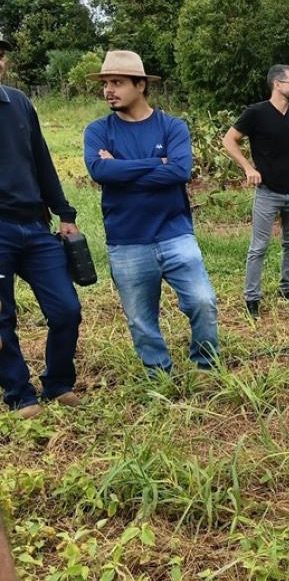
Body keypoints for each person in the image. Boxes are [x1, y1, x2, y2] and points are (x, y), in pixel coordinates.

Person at [84, 50, 220, 376]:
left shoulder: (172, 126)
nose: (108, 91)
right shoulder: (98, 130)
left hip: (174, 232)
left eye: (117, 83)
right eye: (105, 84)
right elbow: (101, 172)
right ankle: (158, 375)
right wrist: (153, 164)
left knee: (203, 301)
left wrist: (122, 168)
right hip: (127, 238)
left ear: (140, 85)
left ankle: (205, 367)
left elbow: (179, 172)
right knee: (141, 318)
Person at [0, 32, 83, 419]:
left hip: (34, 225)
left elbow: (43, 162)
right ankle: (20, 394)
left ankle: (59, 383)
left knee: (66, 309)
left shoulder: (18, 102)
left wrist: (65, 213)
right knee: (2, 318)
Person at [222, 64, 289, 318]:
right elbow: (229, 140)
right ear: (277, 84)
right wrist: (248, 168)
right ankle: (252, 298)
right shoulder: (256, 113)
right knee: (259, 246)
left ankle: (288, 289)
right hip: (268, 191)